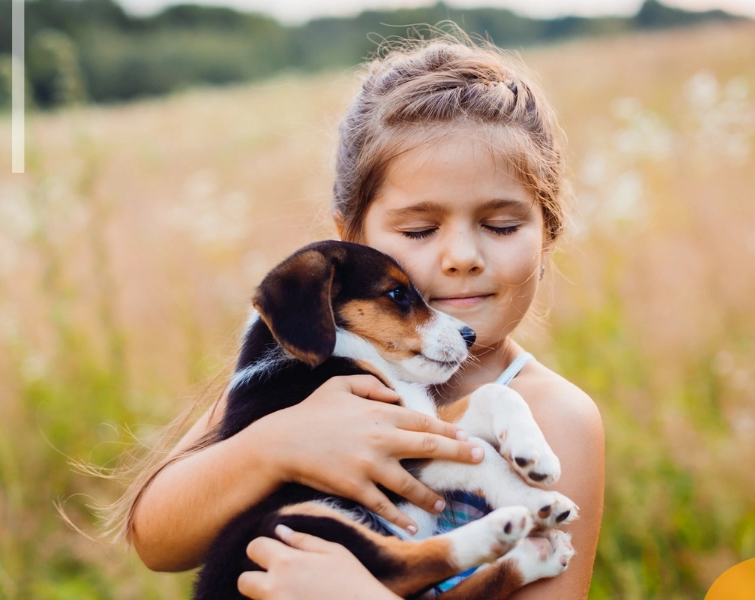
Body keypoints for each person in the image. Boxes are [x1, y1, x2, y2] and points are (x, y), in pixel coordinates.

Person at [106, 34, 604, 600]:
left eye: (502, 226)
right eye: (419, 230)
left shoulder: (557, 419)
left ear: (549, 233)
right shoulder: (304, 374)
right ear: (351, 241)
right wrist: (274, 445)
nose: (462, 258)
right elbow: (157, 542)